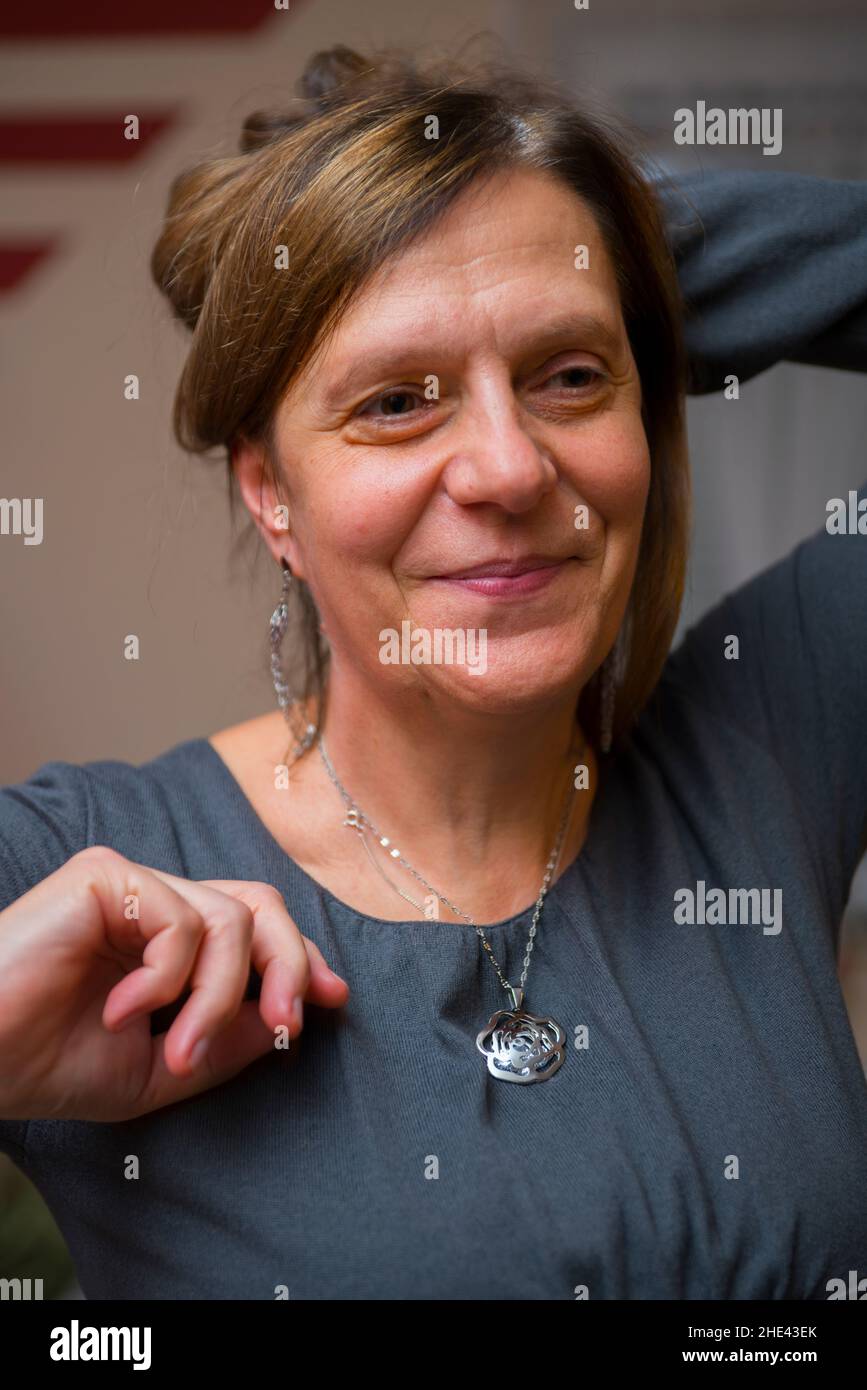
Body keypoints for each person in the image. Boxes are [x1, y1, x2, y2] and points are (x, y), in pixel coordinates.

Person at [1, 43, 866, 1301]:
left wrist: (581, 223)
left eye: (571, 376)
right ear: (270, 493)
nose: (509, 471)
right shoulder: (80, 875)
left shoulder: (770, 739)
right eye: (399, 400)